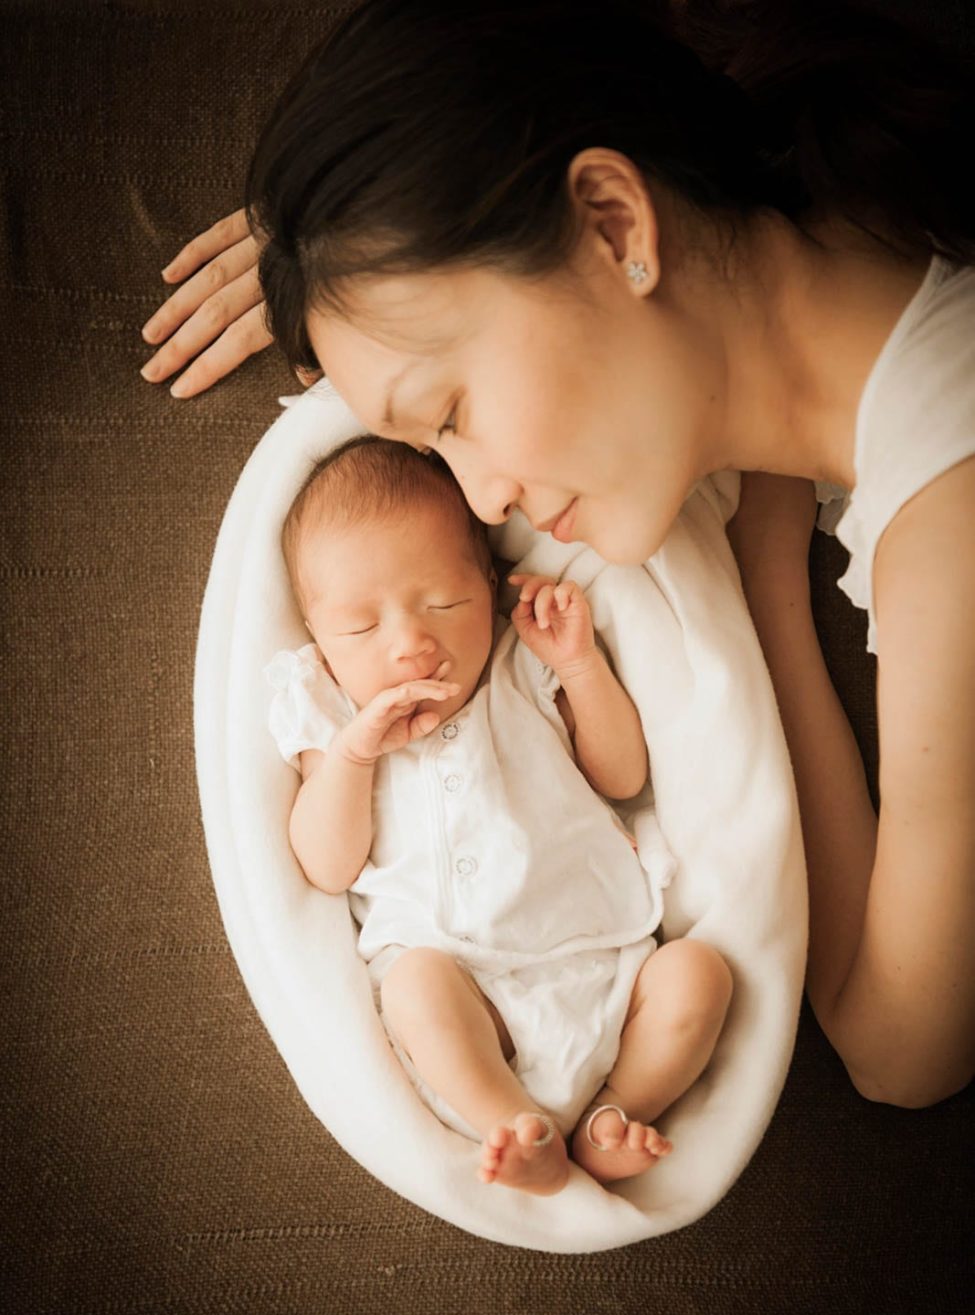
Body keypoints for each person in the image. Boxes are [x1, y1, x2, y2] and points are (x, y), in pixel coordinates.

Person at [141, 0, 975, 1110]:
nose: (480, 495)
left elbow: (904, 1051)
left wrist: (769, 589)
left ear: (616, 223)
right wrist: (363, 239)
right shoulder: (839, 213)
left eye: (449, 408)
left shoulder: (953, 536)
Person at [265, 434, 733, 1195]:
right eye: (361, 627)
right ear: (317, 637)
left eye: (442, 602)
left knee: (699, 975)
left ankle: (614, 1113)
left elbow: (622, 776)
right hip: (466, 988)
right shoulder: (328, 711)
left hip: (602, 960)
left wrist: (579, 666)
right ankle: (512, 1124)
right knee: (414, 986)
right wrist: (355, 754)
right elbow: (325, 864)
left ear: (489, 585)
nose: (410, 643)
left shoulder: (523, 661)